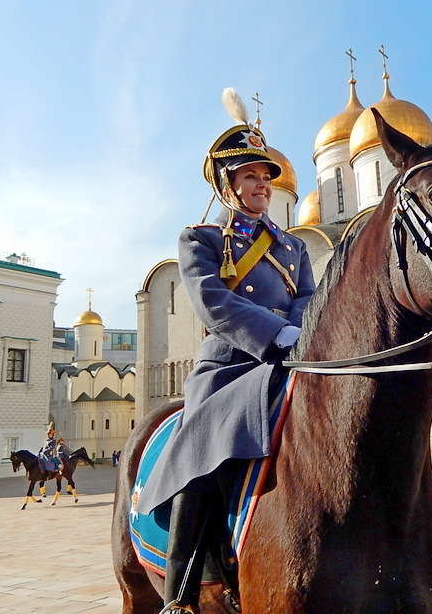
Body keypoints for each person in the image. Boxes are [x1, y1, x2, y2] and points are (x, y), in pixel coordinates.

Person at [135, 89, 316, 614]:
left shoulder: (295, 247)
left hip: (292, 358)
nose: (262, 185)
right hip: (231, 367)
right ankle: (181, 592)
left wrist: (300, 336)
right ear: (228, 184)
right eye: (250, 177)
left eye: (266, 177)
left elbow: (308, 298)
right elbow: (213, 302)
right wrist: (275, 335)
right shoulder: (202, 239)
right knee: (206, 449)